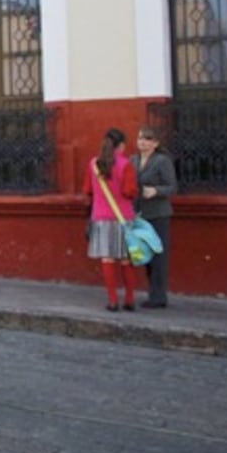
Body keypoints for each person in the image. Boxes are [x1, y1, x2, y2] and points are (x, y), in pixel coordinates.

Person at [83, 128, 139, 312]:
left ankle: (112, 300)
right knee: (126, 260)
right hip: (124, 218)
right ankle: (129, 299)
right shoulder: (126, 164)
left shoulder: (93, 164)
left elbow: (87, 190)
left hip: (100, 218)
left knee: (107, 259)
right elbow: (129, 191)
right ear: (121, 145)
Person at [131, 125, 177, 309]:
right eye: (140, 138)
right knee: (144, 254)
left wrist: (156, 190)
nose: (142, 142)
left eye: (147, 139)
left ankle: (158, 296)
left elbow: (172, 187)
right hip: (139, 215)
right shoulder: (132, 160)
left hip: (158, 214)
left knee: (158, 255)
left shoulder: (162, 161)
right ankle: (152, 293)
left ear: (156, 143)